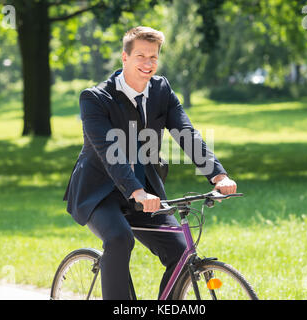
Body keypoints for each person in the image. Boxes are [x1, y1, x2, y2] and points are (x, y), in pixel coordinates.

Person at [63, 26, 237, 300]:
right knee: (119, 239)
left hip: (144, 192)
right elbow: (110, 151)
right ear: (124, 57)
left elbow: (185, 132)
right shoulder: (95, 99)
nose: (147, 64)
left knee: (182, 253)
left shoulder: (161, 90)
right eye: (140, 56)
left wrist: (218, 175)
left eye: (153, 57)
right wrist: (136, 191)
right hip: (99, 192)